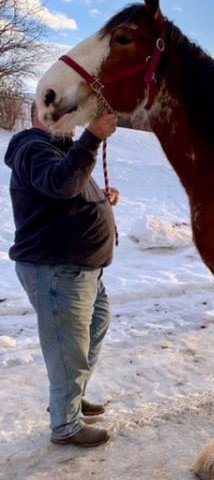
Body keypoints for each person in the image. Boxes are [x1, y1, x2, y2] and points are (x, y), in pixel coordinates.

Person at [4, 102, 120, 447]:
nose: (72, 120)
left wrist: (101, 198)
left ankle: (70, 397)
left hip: (82, 269)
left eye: (75, 114)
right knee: (68, 349)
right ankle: (65, 425)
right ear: (39, 116)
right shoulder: (33, 147)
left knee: (92, 333)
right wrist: (93, 136)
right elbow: (62, 184)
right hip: (57, 271)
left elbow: (71, 187)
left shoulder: (60, 150)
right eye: (63, 113)